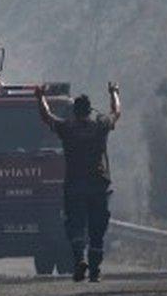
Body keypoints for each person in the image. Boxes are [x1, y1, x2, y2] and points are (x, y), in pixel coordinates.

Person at [35, 82, 121, 283]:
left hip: (74, 186)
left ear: (74, 111)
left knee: (75, 227)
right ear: (89, 110)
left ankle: (80, 260)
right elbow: (116, 112)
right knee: (97, 230)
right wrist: (114, 92)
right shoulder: (100, 126)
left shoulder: (67, 128)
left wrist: (40, 98)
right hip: (98, 186)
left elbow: (46, 117)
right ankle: (95, 270)